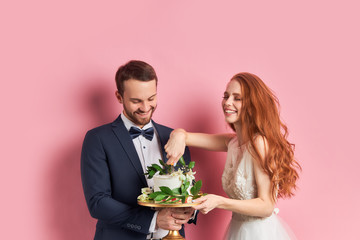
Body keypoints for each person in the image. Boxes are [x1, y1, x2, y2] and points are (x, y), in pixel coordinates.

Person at [165, 72, 301, 239]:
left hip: (260, 233)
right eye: (226, 96)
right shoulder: (232, 142)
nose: (227, 103)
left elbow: (266, 206)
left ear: (253, 105)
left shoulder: (260, 144)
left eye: (237, 98)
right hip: (237, 229)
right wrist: (178, 135)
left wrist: (219, 202)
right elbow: (186, 136)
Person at [81, 60, 196, 240]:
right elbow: (98, 202)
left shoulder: (174, 137)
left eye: (151, 99)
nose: (145, 107)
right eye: (136, 101)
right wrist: (154, 220)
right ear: (119, 97)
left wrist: (189, 211)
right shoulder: (97, 139)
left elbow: (186, 190)